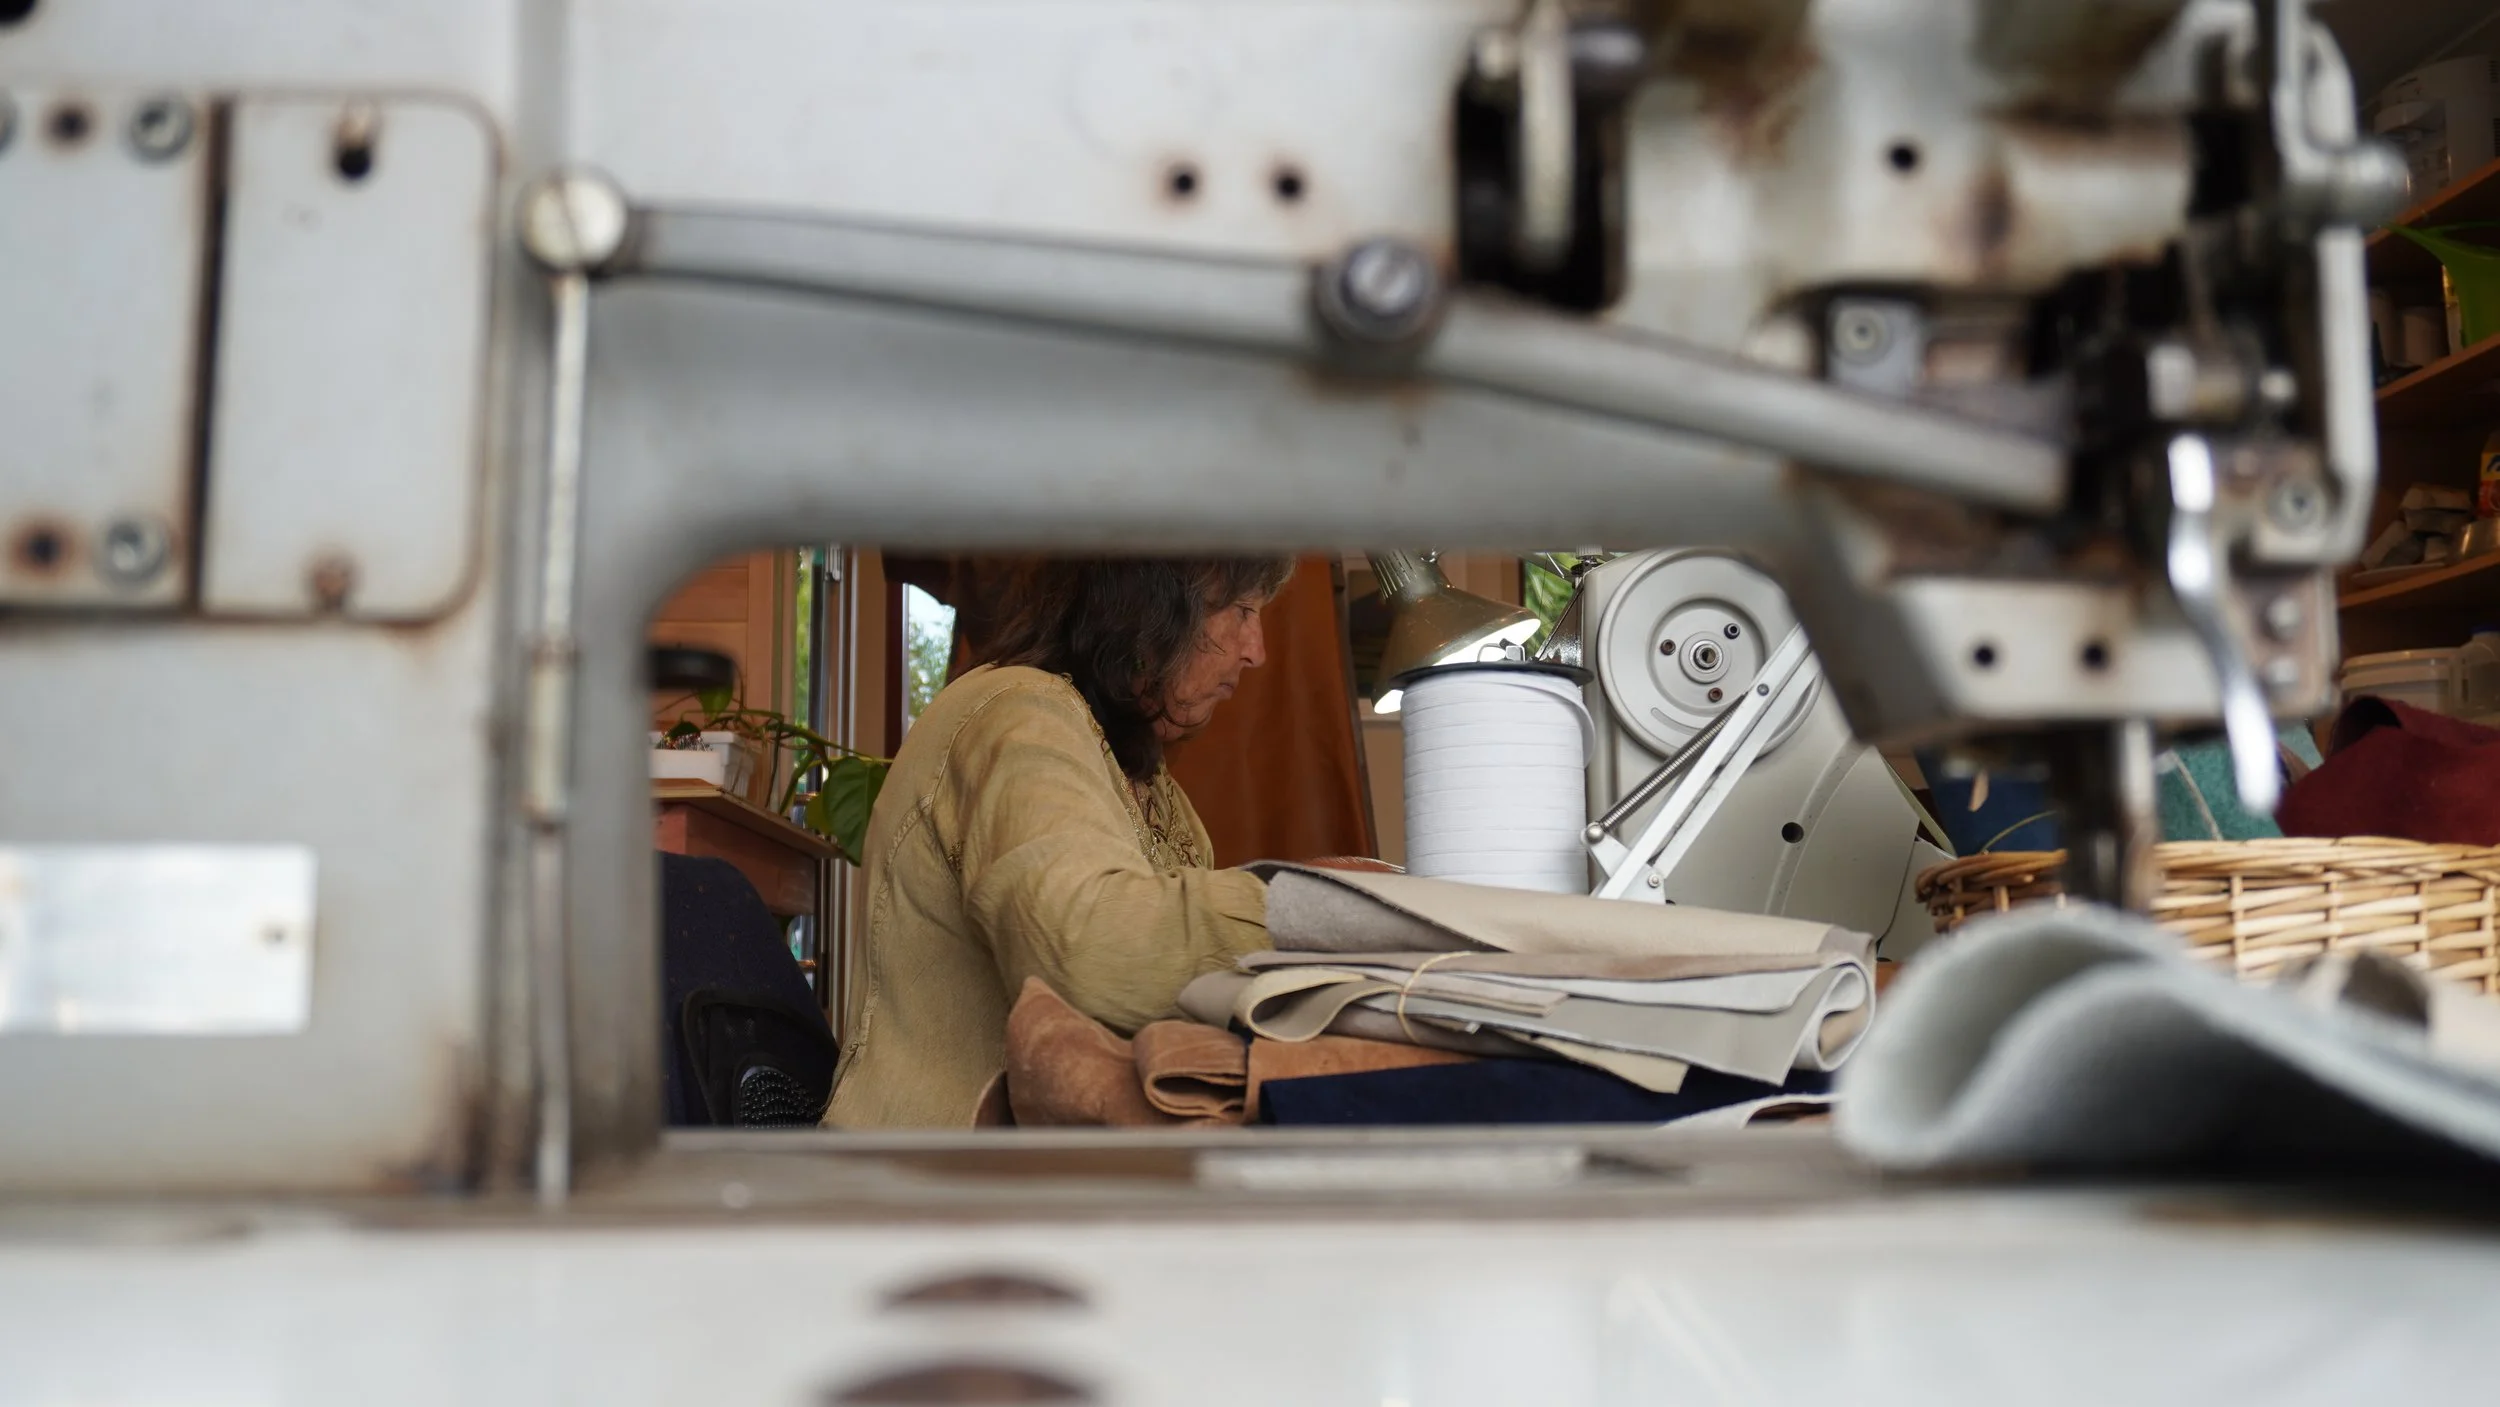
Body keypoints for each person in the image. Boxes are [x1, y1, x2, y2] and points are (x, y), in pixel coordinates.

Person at [822, 556, 1294, 1127]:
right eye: (1242, 611)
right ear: (1154, 604)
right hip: (935, 1189)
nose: (1255, 649)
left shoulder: (1159, 795)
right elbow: (1087, 951)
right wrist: (1311, 909)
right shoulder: (1018, 712)